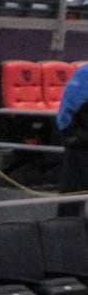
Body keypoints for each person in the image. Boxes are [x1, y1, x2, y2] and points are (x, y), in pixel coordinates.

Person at [56, 62, 88, 207]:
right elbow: (66, 111)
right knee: (73, 198)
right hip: (81, 146)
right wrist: (72, 136)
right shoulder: (85, 74)